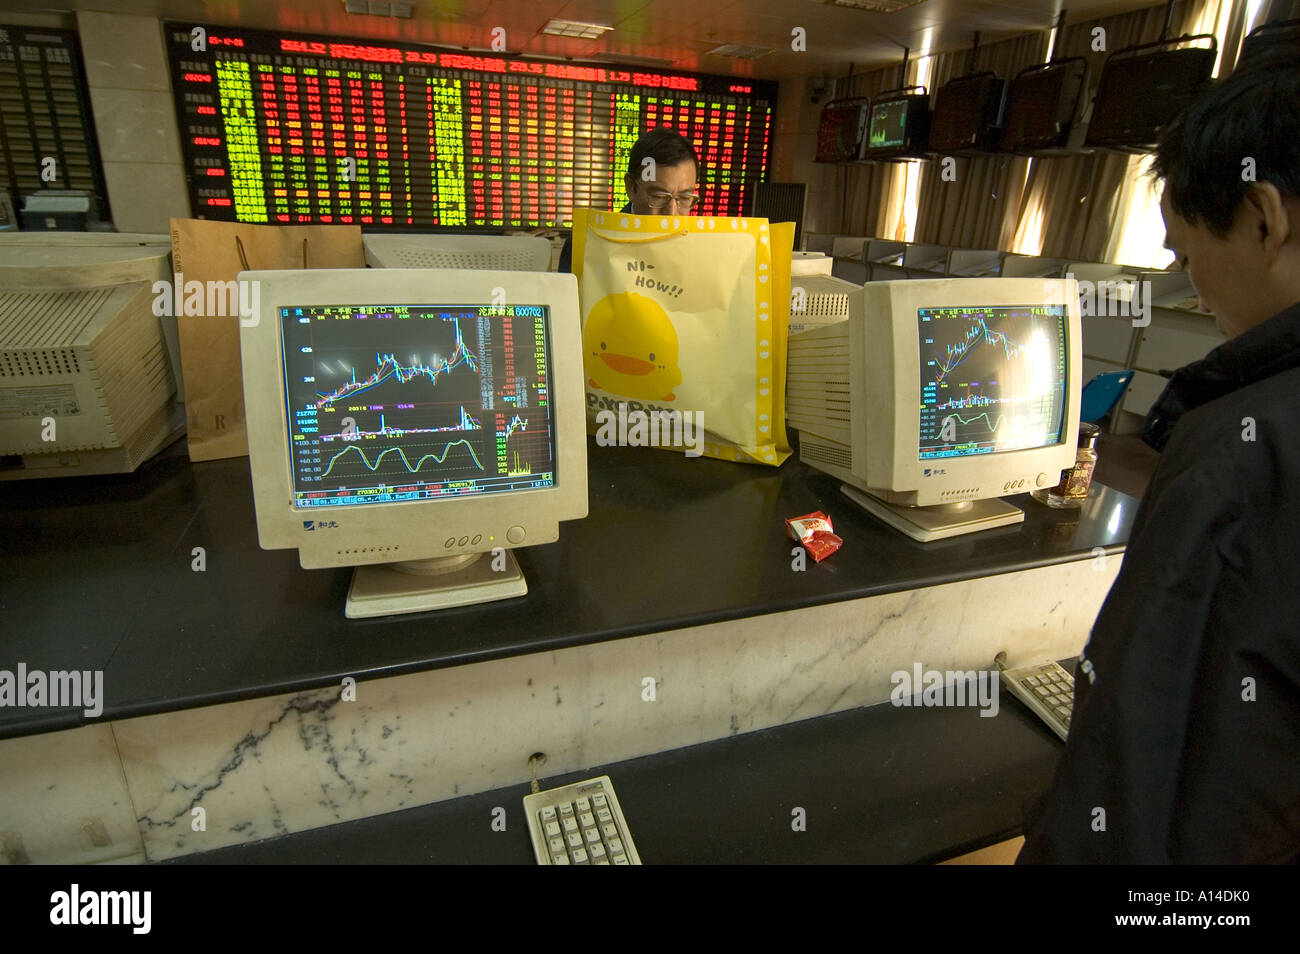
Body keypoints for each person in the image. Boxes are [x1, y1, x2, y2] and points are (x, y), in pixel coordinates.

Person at [1019, 55, 1300, 863]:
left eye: (1184, 251)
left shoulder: (1241, 451)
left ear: (1261, 216)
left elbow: (1141, 761)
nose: (1188, 281)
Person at [557, 127, 700, 272]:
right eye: (659, 196)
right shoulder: (584, 246)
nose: (671, 214)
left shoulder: (702, 251)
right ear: (631, 187)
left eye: (684, 198)